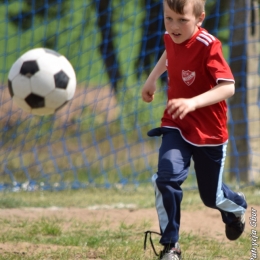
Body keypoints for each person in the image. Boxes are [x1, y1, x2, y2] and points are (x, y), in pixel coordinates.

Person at [141, 0, 248, 259]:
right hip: (176, 124)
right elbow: (169, 52)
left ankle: (236, 208)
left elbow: (228, 87)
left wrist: (192, 102)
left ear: (199, 18)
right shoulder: (170, 35)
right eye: (169, 19)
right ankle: (171, 246)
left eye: (182, 20)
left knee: (211, 197)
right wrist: (152, 79)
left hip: (208, 134)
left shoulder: (209, 45)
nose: (174, 27)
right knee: (166, 178)